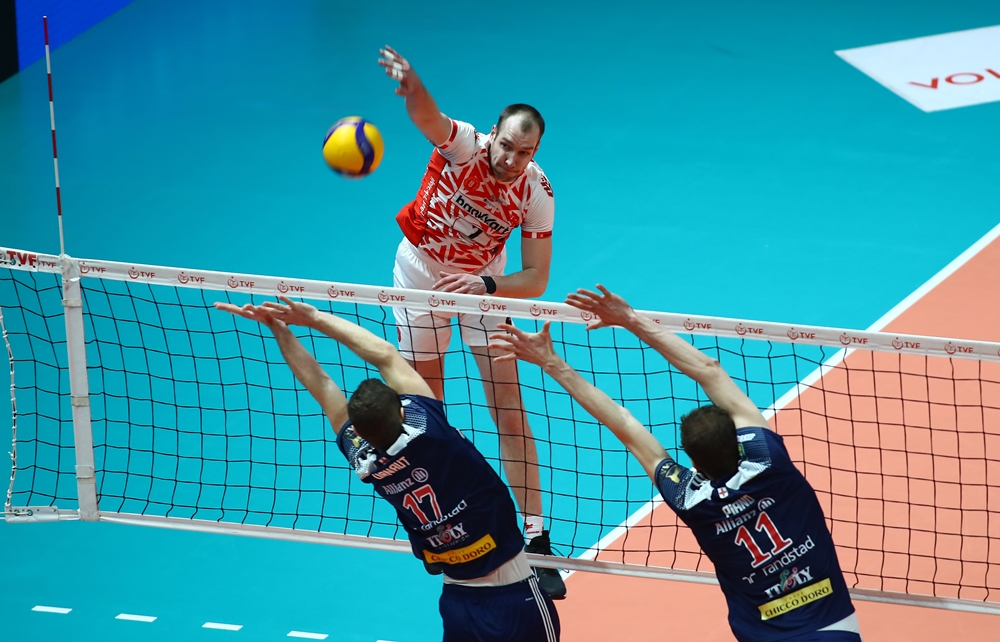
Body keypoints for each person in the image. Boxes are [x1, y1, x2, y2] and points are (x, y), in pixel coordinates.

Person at [490, 285, 863, 642]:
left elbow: (625, 426)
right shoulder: (769, 462)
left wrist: (551, 362)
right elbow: (710, 370)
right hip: (833, 629)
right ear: (739, 444)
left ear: (693, 461)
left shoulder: (690, 498)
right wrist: (630, 318)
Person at [215, 296, 560, 642]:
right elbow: (385, 355)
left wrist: (279, 331)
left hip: (458, 603)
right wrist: (314, 317)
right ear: (401, 412)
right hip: (515, 597)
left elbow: (321, 386)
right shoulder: (430, 430)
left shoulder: (362, 457)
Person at [378, 45, 565, 598]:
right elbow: (427, 117)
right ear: (493, 134)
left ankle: (537, 540)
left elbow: (536, 278)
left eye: (524, 152)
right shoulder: (463, 146)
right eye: (506, 145)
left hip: (482, 285)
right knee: (427, 414)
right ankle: (447, 529)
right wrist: (413, 86)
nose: (511, 159)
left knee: (508, 405)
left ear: (535, 151)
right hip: (420, 275)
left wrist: (484, 286)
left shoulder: (537, 192)